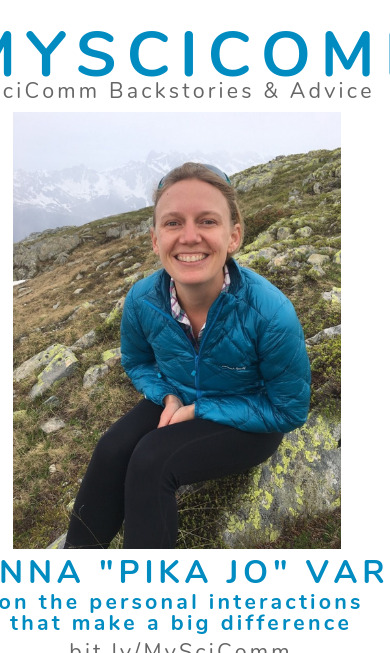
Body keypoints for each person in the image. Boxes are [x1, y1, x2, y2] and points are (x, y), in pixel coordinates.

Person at [65, 162, 311, 549]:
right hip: (177, 396)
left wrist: (200, 411)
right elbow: (139, 361)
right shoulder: (143, 300)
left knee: (152, 460)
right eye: (173, 223)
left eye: (207, 221)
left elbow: (288, 410)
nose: (189, 236)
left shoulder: (270, 312)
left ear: (234, 236)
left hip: (250, 418)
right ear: (155, 239)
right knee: (112, 448)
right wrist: (168, 395)